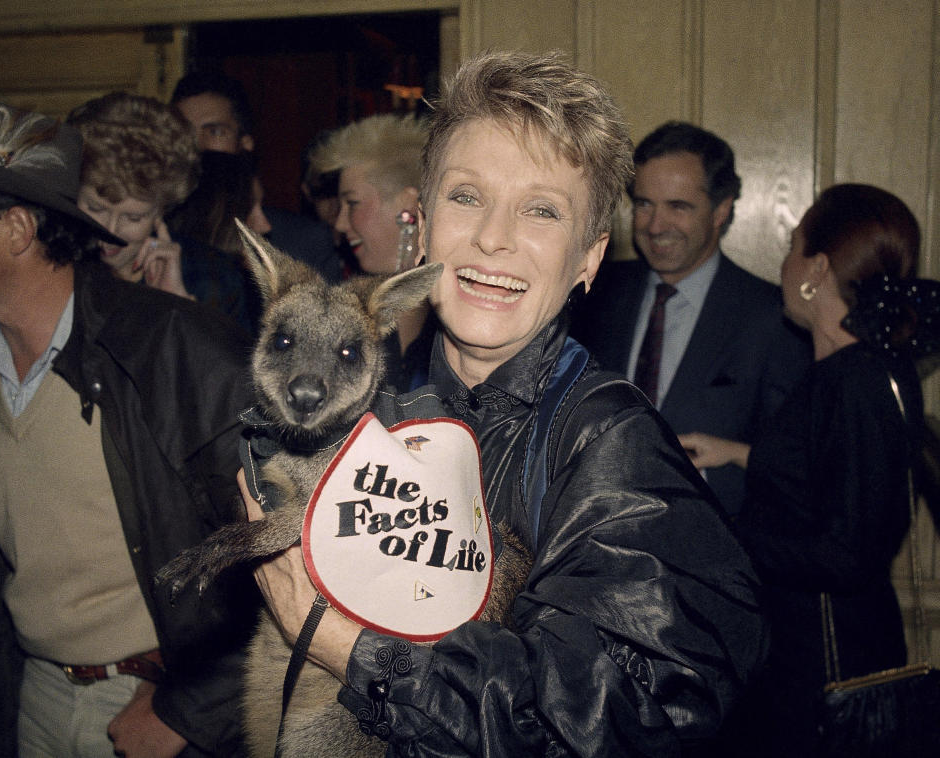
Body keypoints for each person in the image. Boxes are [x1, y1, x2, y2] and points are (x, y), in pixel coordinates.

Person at [240, 50, 767, 756]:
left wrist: (349, 649)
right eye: (467, 197)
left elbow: (620, 717)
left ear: (588, 258)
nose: (494, 237)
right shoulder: (380, 412)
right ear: (422, 227)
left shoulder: (609, 444)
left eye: (542, 210)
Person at [0, 100, 260, 756]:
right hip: (31, 690)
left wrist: (188, 710)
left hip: (150, 699)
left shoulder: (176, 346)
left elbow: (294, 543)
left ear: (17, 228)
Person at [678, 183, 940, 756]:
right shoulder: (861, 369)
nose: (785, 263)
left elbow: (847, 553)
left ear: (817, 268)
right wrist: (737, 451)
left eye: (793, 246)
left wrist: (719, 532)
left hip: (825, 668)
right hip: (818, 653)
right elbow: (837, 468)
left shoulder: (856, 382)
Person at [571, 121, 811, 517]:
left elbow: (790, 470)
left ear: (721, 211)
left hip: (719, 554)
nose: (655, 225)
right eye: (644, 204)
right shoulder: (593, 294)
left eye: (678, 207)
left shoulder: (771, 317)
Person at [67, 91, 252, 330]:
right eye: (95, 208)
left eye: (133, 217)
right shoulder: (51, 263)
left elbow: (231, 366)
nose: (109, 230)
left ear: (162, 210)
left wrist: (179, 307)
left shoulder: (212, 279)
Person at [170, 70, 342, 282]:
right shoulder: (153, 230)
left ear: (245, 142)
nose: (197, 147)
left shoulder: (300, 243)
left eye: (214, 132)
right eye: (184, 133)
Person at [308, 112, 435, 391]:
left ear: (408, 205)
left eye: (352, 204)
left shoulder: (457, 305)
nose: (340, 223)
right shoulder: (335, 304)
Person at [167, 149, 273, 334]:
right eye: (248, 210)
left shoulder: (251, 292)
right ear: (213, 216)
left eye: (261, 207)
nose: (265, 226)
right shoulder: (212, 285)